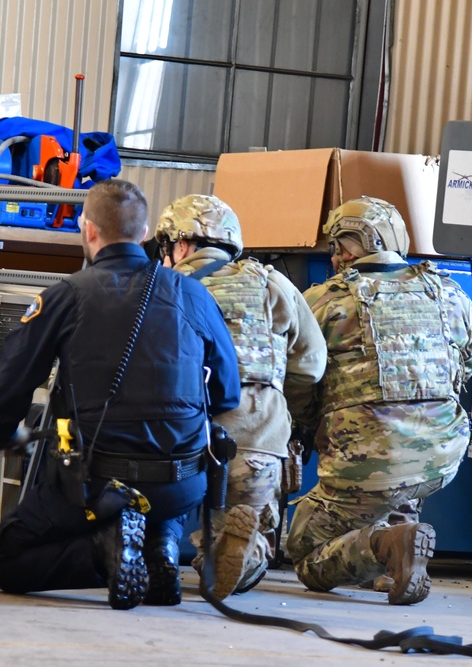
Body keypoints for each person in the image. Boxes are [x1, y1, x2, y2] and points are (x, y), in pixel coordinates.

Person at [0, 178, 240, 610]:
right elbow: (227, 394)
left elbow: (6, 391)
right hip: (182, 485)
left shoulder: (65, 297)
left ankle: (107, 547)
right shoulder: (193, 295)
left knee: (9, 560)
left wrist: (6, 435)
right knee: (159, 497)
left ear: (88, 230)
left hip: (98, 484)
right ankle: (161, 542)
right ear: (144, 234)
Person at [286, 196, 472, 605]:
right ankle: (396, 539)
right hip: (441, 459)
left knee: (304, 553)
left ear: (345, 246)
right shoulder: (453, 295)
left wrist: (306, 429)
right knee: (402, 459)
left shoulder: (322, 300)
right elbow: (463, 373)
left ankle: (383, 546)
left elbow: (298, 384)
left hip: (366, 465)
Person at [154, 194, 327, 600]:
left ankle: (159, 548)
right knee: (250, 542)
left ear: (179, 245)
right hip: (254, 443)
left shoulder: (161, 287)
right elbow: (312, 366)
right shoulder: (272, 284)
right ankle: (239, 554)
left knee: (154, 514)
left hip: (173, 445)